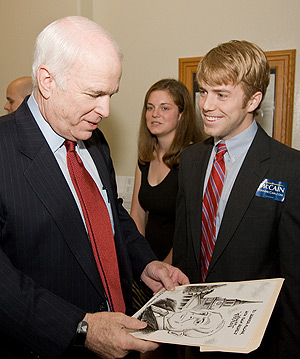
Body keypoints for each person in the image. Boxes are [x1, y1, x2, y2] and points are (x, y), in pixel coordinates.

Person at [0, 16, 189, 359]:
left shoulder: (95, 141)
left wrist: (146, 263)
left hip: (122, 333)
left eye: (111, 94)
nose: (105, 110)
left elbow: (109, 212)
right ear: (46, 81)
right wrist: (80, 328)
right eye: (95, 93)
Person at [173, 40, 300, 358]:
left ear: (253, 100)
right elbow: (186, 253)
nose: (206, 105)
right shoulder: (190, 161)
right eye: (203, 91)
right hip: (193, 333)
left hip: (255, 342)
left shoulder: (288, 168)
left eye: (221, 94)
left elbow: (294, 279)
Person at [131, 79, 202, 265]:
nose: (155, 114)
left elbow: (190, 228)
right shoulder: (145, 157)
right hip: (149, 260)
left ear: (181, 114)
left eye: (164, 108)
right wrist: (142, 259)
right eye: (150, 107)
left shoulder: (194, 159)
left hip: (179, 264)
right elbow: (137, 213)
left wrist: (164, 267)